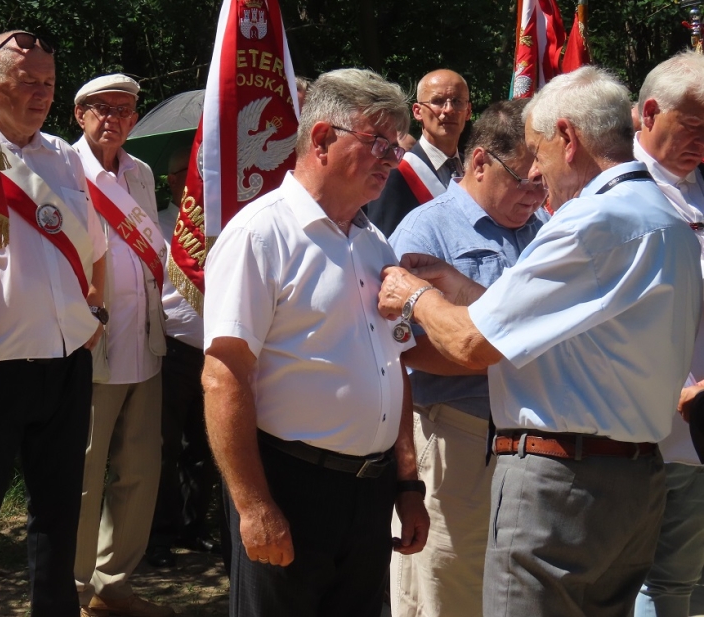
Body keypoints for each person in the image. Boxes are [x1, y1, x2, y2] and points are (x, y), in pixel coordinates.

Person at [378, 66, 702, 617]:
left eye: (537, 150)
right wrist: (456, 286)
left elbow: (474, 344)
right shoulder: (666, 218)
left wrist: (414, 296)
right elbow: (560, 329)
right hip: (633, 479)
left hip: (562, 484)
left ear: (568, 137)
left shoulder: (592, 223)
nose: (536, 170)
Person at [202, 68, 430, 617]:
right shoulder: (260, 235)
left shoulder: (374, 243)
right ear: (323, 138)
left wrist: (407, 484)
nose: (391, 160)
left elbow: (393, 366)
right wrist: (253, 505)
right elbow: (223, 375)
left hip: (369, 493)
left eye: (396, 147)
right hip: (289, 486)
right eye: (378, 143)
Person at [0, 31, 107, 617]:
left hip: (64, 362)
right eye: (28, 81)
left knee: (58, 516)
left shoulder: (64, 156)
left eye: (49, 83)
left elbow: (95, 248)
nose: (42, 94)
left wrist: (94, 313)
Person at [387, 99, 549, 617]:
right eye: (526, 181)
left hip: (530, 444)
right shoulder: (424, 231)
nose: (537, 196)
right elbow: (398, 346)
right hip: (454, 435)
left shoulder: (543, 229)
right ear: (480, 162)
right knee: (444, 590)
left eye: (543, 183)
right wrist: (497, 357)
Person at [72, 74, 174, 617]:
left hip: (145, 339)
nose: (114, 118)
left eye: (125, 110)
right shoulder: (64, 168)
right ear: (80, 114)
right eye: (102, 108)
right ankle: (72, 587)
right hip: (93, 344)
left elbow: (151, 250)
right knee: (84, 475)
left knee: (140, 469)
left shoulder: (141, 173)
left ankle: (112, 585)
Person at [633, 51, 704, 617]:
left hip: (699, 428)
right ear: (650, 113)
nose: (702, 144)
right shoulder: (609, 191)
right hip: (642, 429)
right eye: (694, 127)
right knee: (643, 582)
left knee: (683, 583)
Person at [146, 147, 223, 569]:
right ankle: (157, 536)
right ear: (174, 180)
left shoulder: (222, 225)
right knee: (163, 445)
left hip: (213, 348)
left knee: (205, 444)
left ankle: (193, 528)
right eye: (190, 174)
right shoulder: (156, 222)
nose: (200, 183)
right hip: (172, 345)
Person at [367, 69, 471, 236]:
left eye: (457, 101)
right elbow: (382, 242)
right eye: (438, 101)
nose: (449, 109)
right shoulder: (395, 173)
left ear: (468, 111)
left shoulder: (472, 171)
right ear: (417, 111)